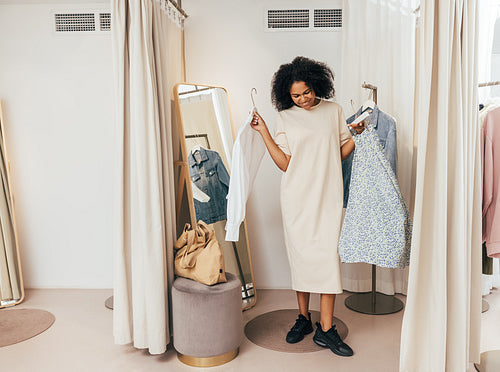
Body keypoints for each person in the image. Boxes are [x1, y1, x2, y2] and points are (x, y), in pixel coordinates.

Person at [251, 56, 363, 357]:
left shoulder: (334, 111)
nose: (302, 99)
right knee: (301, 261)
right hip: (297, 199)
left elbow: (338, 153)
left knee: (327, 261)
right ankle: (304, 318)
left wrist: (356, 136)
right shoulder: (285, 117)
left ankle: (326, 331)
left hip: (327, 197)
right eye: (295, 95)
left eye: (306, 92)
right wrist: (263, 132)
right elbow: (285, 164)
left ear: (316, 85)